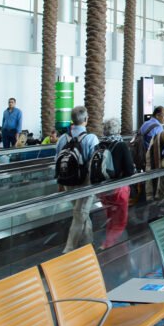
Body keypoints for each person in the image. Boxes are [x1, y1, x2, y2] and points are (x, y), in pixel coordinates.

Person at [56, 105, 99, 253]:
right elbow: (95, 163)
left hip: (68, 181)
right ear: (86, 119)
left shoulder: (62, 138)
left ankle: (88, 247)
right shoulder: (91, 138)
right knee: (80, 215)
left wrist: (59, 183)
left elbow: (56, 161)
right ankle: (68, 250)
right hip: (85, 183)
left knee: (81, 213)